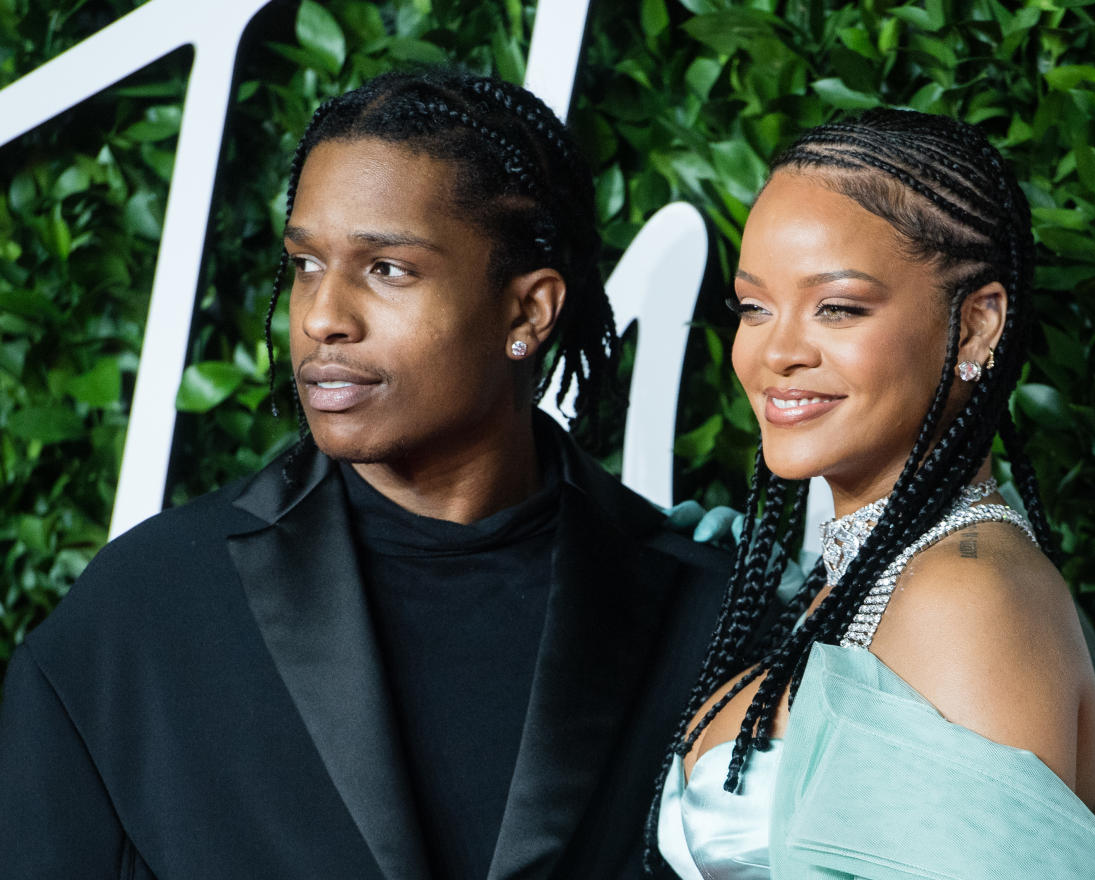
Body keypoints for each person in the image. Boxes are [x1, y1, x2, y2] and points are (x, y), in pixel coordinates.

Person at [0, 69, 729, 880]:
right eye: (306, 264)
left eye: (386, 269)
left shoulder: (703, 612)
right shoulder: (148, 609)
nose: (320, 318)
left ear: (528, 312)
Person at [652, 110, 1095, 879]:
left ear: (976, 327)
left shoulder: (968, 597)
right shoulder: (865, 578)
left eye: (838, 307)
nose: (778, 351)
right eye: (755, 307)